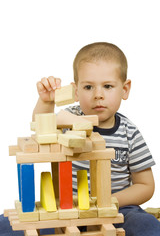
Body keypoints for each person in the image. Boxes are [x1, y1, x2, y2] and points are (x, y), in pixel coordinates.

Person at [1, 42, 160, 235]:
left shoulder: (130, 133)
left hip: (117, 208)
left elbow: (145, 185)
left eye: (108, 86)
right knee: (7, 225)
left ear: (125, 89)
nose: (98, 95)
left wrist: (108, 201)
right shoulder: (68, 118)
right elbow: (41, 129)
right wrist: (46, 101)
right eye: (88, 87)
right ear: (75, 91)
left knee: (147, 225)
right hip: (66, 209)